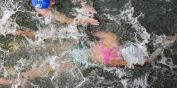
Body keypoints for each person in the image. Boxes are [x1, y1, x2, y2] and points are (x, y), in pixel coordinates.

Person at [18, 31, 176, 79]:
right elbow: (144, 62)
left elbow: (94, 32)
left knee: (50, 47)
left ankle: (20, 45)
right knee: (50, 68)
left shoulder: (112, 39)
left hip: (81, 48)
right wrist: (162, 46)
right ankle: (23, 75)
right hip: (82, 61)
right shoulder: (117, 60)